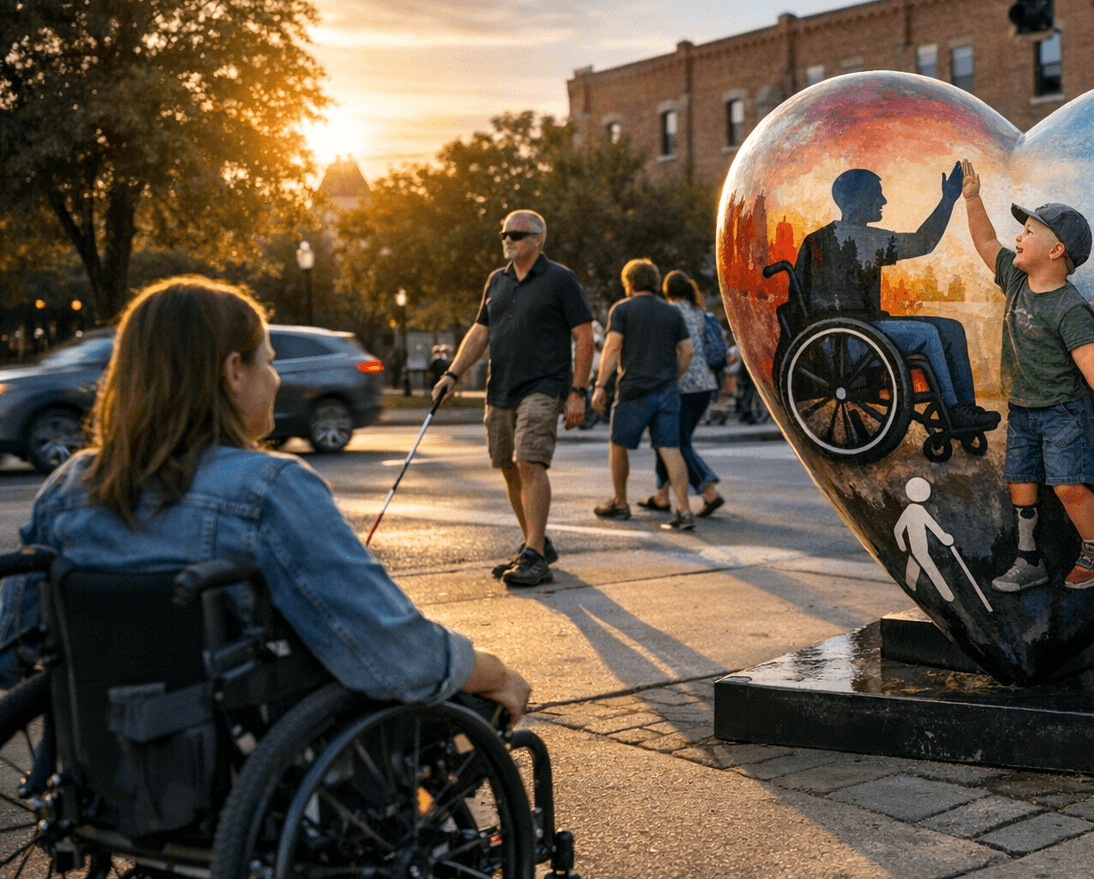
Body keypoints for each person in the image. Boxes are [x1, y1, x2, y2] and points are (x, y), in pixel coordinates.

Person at [1, 275, 531, 723]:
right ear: (234, 370)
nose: (275, 378)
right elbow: (394, 654)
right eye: (269, 361)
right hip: (249, 759)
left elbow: (13, 648)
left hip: (105, 768)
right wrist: (493, 670)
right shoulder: (267, 487)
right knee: (471, 707)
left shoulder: (70, 486)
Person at [960, 160, 1094, 592]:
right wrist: (972, 198)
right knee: (1021, 481)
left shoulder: (1069, 306)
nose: (1019, 237)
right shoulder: (1015, 279)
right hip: (1023, 408)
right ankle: (1028, 558)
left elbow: (1087, 354)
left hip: (1062, 414)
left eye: (1031, 232)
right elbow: (985, 240)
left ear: (1057, 251)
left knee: (1069, 487)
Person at [433, 210, 594, 588]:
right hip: (500, 385)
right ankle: (533, 544)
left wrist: (578, 392)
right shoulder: (497, 281)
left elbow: (584, 336)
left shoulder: (560, 279)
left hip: (543, 385)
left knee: (528, 461)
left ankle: (535, 555)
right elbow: (479, 331)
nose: (507, 239)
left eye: (516, 234)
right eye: (504, 233)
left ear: (538, 239)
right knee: (507, 466)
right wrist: (452, 374)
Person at [790, 165, 999, 432]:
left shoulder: (825, 238)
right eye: (876, 194)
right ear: (856, 200)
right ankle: (954, 410)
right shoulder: (858, 238)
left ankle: (966, 407)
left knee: (952, 329)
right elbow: (924, 242)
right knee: (929, 333)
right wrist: (947, 200)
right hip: (849, 342)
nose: (883, 201)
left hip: (853, 333)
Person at [591, 259, 697, 531]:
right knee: (670, 449)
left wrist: (601, 385)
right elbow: (687, 352)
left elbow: (613, 348)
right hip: (667, 391)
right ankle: (684, 511)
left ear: (630, 284)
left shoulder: (623, 309)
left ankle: (621, 503)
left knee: (618, 445)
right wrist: (672, 375)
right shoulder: (672, 313)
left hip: (633, 391)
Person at [637, 271, 726, 518]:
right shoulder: (699, 312)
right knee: (667, 439)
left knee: (673, 442)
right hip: (705, 385)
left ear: (665, 290)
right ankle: (661, 495)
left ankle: (708, 490)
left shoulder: (666, 312)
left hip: (681, 385)